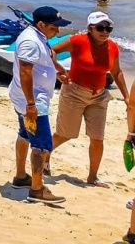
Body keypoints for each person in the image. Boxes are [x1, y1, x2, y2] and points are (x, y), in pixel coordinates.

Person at [50, 11, 128, 184]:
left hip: (99, 96)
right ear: (90, 29)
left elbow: (116, 72)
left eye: (109, 28)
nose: (105, 32)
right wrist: (58, 70)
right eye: (101, 28)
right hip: (74, 92)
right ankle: (44, 155)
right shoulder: (78, 41)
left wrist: (127, 97)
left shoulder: (112, 47)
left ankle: (92, 177)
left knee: (97, 138)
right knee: (65, 134)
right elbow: (52, 50)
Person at [9, 5, 70, 204]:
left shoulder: (38, 36)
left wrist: (58, 69)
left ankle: (20, 177)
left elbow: (49, 53)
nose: (58, 31)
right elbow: (25, 71)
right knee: (42, 145)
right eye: (54, 27)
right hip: (33, 100)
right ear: (42, 24)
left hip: (29, 98)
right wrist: (31, 105)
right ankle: (37, 189)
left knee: (25, 134)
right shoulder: (30, 41)